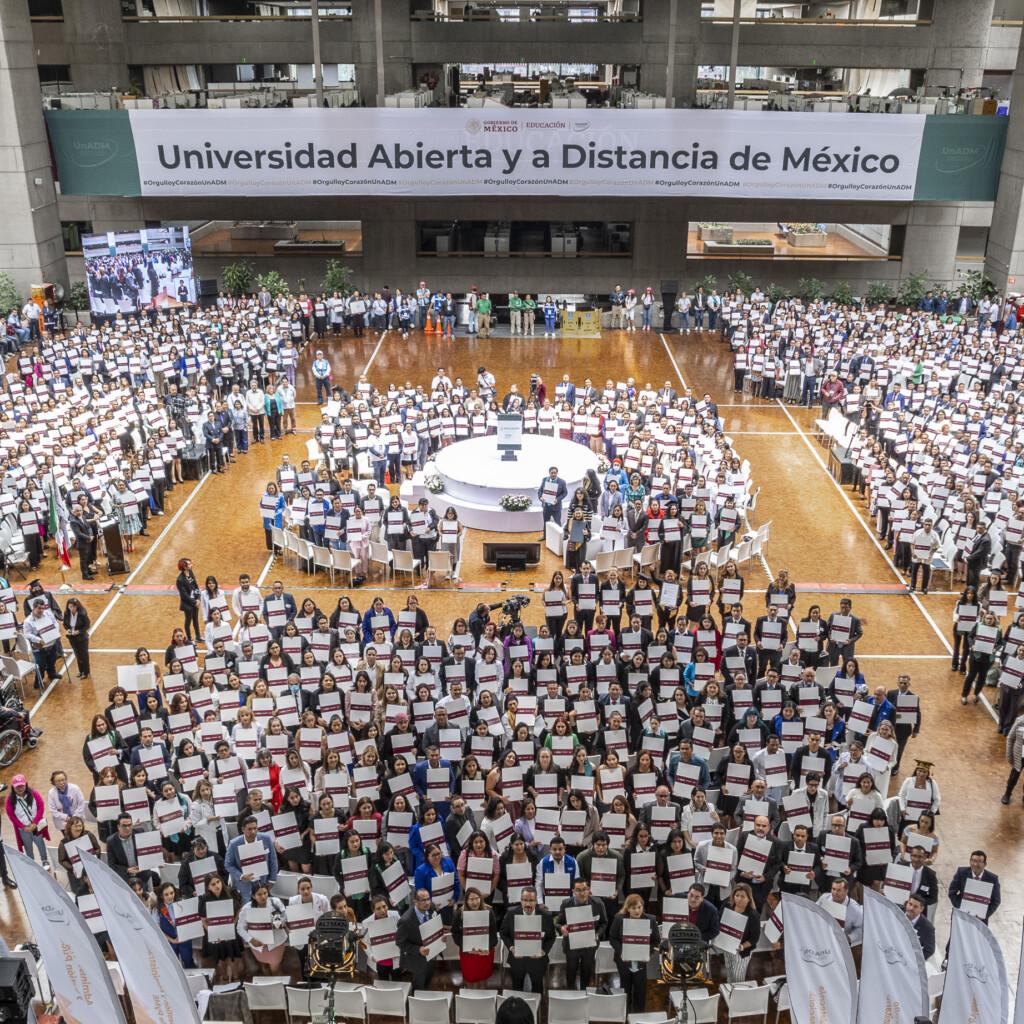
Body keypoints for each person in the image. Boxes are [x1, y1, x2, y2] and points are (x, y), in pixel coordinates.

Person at [499, 886, 557, 994]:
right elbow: (503, 933)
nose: (528, 904)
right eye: (525, 900)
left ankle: (537, 1010)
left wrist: (544, 951)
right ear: (520, 900)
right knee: (517, 990)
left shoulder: (546, 916)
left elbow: (551, 937)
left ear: (536, 901)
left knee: (537, 989)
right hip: (517, 960)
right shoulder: (511, 914)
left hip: (538, 960)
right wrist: (511, 948)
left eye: (531, 900)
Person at [608, 893, 659, 1011]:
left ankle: (638, 1016)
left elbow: (656, 940)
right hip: (623, 961)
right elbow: (612, 938)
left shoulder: (650, 920)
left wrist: (647, 951)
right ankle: (625, 1014)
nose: (637, 910)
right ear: (628, 908)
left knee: (640, 991)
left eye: (639, 907)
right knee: (625, 989)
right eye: (633, 908)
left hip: (641, 962)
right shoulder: (619, 919)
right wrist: (623, 951)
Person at [555, 876, 608, 990]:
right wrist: (561, 929)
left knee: (586, 973)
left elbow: (604, 923)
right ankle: (570, 996)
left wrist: (597, 934)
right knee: (571, 973)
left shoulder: (598, 903)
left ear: (588, 889)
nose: (582, 893)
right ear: (573, 891)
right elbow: (557, 922)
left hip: (590, 945)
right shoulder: (566, 904)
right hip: (571, 945)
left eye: (585, 889)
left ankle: (584, 995)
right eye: (578, 890)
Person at [451, 887, 499, 986]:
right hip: (468, 953)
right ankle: (469, 997)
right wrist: (467, 948)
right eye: (471, 899)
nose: (475, 902)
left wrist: (487, 948)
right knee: (469, 977)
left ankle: (483, 996)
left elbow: (494, 935)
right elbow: (455, 934)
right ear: (466, 900)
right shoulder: (460, 913)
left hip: (485, 953)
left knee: (484, 976)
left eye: (477, 898)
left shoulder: (489, 912)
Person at [225, 814, 279, 903]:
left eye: (255, 828)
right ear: (243, 829)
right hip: (245, 885)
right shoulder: (234, 844)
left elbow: (273, 860)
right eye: (249, 829)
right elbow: (228, 864)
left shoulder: (266, 839)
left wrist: (272, 880)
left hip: (263, 882)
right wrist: (241, 876)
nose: (253, 831)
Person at [397, 888, 439, 992]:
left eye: (428, 899)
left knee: (428, 983)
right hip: (416, 961)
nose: (427, 903)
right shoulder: (405, 920)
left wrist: (440, 936)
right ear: (415, 901)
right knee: (419, 988)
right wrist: (418, 949)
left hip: (431, 957)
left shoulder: (431, 908)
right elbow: (400, 942)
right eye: (423, 900)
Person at [4, 774, 50, 866]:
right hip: (23, 830)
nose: (20, 788)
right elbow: (12, 816)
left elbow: (41, 807)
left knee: (40, 843)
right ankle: (32, 863)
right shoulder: (10, 800)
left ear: (26, 784)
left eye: (22, 785)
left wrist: (35, 823)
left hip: (36, 827)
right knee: (28, 846)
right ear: (13, 787)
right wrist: (22, 827)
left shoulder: (34, 793)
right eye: (17, 786)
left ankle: (44, 860)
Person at [948, 850, 1001, 922]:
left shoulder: (993, 879)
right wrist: (961, 908)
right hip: (961, 916)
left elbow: (996, 901)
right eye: (973, 861)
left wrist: (984, 915)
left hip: (980, 920)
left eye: (979, 862)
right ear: (970, 861)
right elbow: (952, 892)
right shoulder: (961, 872)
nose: (975, 864)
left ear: (985, 864)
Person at [23, 597, 64, 686]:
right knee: (41, 665)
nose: (41, 610)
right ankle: (38, 682)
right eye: (39, 608)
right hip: (39, 646)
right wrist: (38, 639)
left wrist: (55, 631)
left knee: (52, 660)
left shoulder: (48, 614)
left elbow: (55, 623)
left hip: (51, 642)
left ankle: (52, 674)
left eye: (43, 608)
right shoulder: (28, 621)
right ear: (33, 608)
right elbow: (26, 634)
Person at [62, 598, 91, 679]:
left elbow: (87, 625)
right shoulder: (66, 613)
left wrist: (79, 631)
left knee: (84, 655)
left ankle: (86, 672)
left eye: (74, 606)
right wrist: (68, 629)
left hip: (82, 638)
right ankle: (81, 670)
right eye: (70, 606)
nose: (72, 608)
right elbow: (65, 624)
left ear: (77, 606)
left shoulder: (82, 613)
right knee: (77, 655)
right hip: (72, 637)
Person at [538, 467, 567, 540]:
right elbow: (540, 490)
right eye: (552, 473)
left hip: (556, 507)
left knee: (557, 522)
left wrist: (557, 499)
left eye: (555, 473)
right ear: (549, 473)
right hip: (546, 506)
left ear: (557, 473)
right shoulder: (545, 479)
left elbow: (565, 493)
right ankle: (545, 536)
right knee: (546, 522)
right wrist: (540, 497)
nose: (553, 474)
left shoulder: (562, 482)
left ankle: (560, 537)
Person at [176, 557, 201, 642]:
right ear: (184, 566)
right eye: (189, 564)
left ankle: (198, 636)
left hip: (195, 601)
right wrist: (194, 602)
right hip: (188, 604)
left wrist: (198, 598)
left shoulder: (190, 572)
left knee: (196, 619)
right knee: (188, 621)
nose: (191, 565)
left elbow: (195, 585)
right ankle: (189, 639)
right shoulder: (180, 580)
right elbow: (184, 595)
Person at [904, 892, 936, 960]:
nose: (911, 908)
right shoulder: (896, 913)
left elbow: (929, 950)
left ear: (921, 909)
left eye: (915, 906)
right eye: (910, 904)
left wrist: (914, 959)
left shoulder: (928, 928)